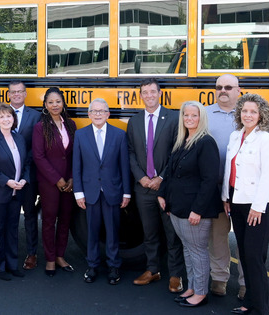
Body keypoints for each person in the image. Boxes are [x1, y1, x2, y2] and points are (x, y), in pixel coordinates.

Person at [157, 101, 221, 307]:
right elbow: (171, 171)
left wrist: (198, 210)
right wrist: (163, 194)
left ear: (201, 118)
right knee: (187, 248)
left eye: (194, 115)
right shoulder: (183, 140)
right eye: (186, 115)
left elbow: (210, 180)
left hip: (194, 210)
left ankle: (201, 293)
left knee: (198, 251)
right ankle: (192, 287)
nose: (189, 119)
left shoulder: (206, 142)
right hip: (177, 207)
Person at [221, 93, 269, 315]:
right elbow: (229, 170)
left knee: (255, 258)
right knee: (244, 255)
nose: (248, 115)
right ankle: (251, 302)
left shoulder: (267, 139)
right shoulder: (235, 136)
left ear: (261, 114)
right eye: (244, 110)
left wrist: (258, 206)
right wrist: (226, 197)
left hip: (258, 206)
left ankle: (262, 308)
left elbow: (268, 175)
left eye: (253, 111)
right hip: (237, 202)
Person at [126, 78, 184, 292]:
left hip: (166, 187)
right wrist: (141, 177)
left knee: (172, 232)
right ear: (140, 95)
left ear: (160, 93)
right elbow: (131, 152)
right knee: (148, 233)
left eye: (153, 91)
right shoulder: (134, 121)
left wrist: (161, 178)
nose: (149, 95)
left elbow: (177, 152)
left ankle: (176, 274)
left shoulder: (173, 118)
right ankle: (153, 269)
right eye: (145, 92)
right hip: (143, 188)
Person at [73, 98, 130, 285]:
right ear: (89, 114)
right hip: (90, 192)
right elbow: (77, 166)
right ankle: (92, 265)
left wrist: (127, 193)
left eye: (101, 111)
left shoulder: (119, 135)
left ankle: (114, 267)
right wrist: (78, 193)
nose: (98, 114)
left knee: (113, 231)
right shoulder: (80, 135)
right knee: (92, 231)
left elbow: (124, 166)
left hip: (112, 191)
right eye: (94, 111)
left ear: (108, 114)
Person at [206, 74, 246, 299]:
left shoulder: (248, 113)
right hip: (215, 186)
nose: (223, 90)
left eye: (228, 87)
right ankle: (219, 278)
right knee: (217, 236)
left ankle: (245, 282)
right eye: (219, 87)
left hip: (242, 188)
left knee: (244, 237)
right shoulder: (206, 114)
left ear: (238, 90)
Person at [32, 87, 77, 277]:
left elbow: (75, 154)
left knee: (66, 220)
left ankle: (60, 255)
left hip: (69, 181)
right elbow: (38, 156)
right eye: (50, 102)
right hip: (49, 182)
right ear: (45, 105)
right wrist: (56, 179)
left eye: (58, 101)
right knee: (49, 221)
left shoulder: (71, 124)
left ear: (63, 103)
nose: (55, 105)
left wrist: (73, 177)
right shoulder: (40, 127)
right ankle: (50, 259)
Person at [0, 103, 29, 281]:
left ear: (13, 118)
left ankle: (12, 264)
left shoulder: (19, 138)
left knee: (12, 229)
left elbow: (26, 163)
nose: (6, 119)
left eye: (8, 116)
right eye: (1, 116)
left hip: (16, 193)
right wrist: (8, 182)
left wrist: (24, 179)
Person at [6, 81, 41, 271]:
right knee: (10, 217)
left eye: (20, 91)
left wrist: (25, 175)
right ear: (8, 94)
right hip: (7, 178)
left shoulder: (35, 116)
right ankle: (9, 253)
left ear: (26, 94)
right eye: (14, 92)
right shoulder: (0, 114)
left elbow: (37, 148)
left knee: (29, 216)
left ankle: (32, 253)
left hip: (28, 176)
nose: (17, 94)